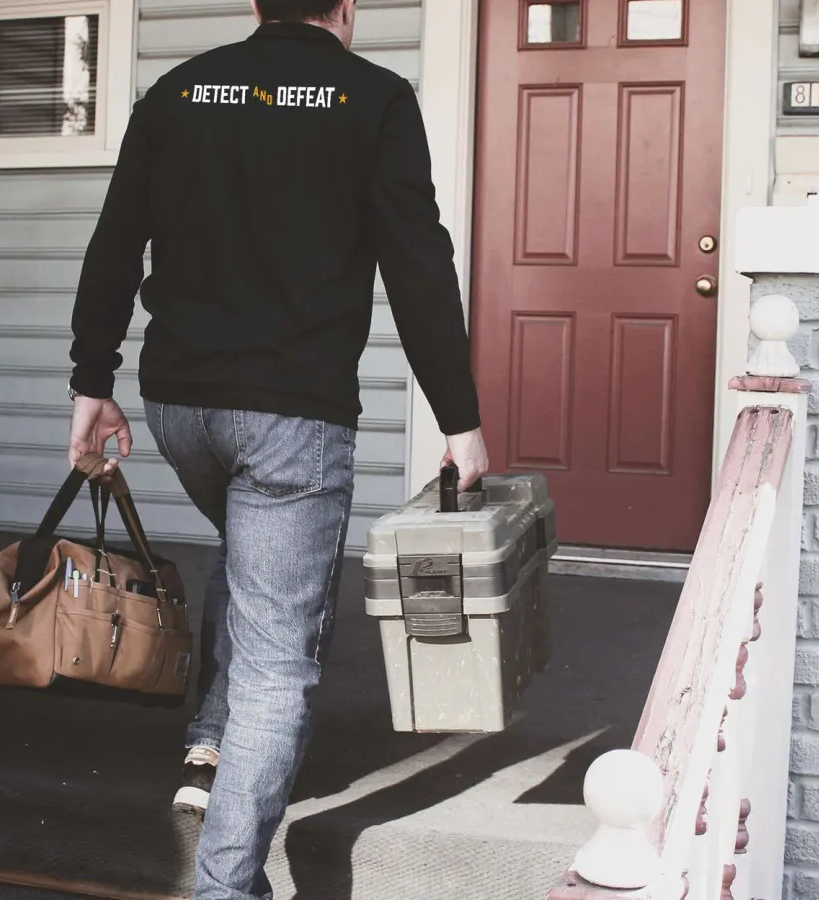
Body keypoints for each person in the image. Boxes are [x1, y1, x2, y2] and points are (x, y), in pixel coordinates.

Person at [65, 0, 487, 893]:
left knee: (260, 568)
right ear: (348, 10)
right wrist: (458, 418)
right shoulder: (374, 98)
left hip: (179, 406)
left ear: (258, 5)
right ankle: (226, 885)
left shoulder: (176, 90)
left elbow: (114, 246)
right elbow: (417, 262)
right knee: (277, 660)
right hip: (292, 419)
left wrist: (90, 384)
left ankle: (210, 738)